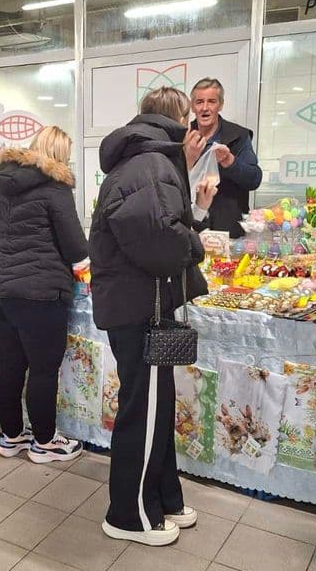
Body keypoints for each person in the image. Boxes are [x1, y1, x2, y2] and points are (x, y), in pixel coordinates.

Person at [89, 87, 218, 546]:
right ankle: (128, 516)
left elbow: (157, 231)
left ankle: (164, 498)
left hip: (137, 304)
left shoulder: (148, 163)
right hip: (137, 307)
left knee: (156, 409)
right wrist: (197, 239)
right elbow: (163, 246)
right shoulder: (152, 165)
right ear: (180, 120)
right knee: (142, 412)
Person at [0, 126, 88, 464]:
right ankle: (44, 442)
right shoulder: (56, 190)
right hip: (39, 294)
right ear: (59, 156)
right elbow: (75, 248)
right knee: (43, 368)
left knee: (10, 363)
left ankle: (11, 437)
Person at [188, 77, 262, 238]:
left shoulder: (238, 136)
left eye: (212, 101)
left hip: (228, 230)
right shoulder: (182, 137)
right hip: (190, 229)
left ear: (220, 105)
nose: (205, 108)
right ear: (192, 106)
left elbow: (254, 179)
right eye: (199, 102)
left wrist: (230, 161)